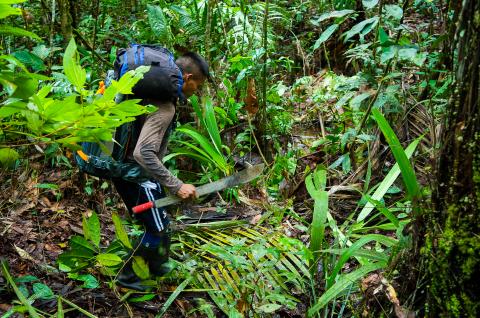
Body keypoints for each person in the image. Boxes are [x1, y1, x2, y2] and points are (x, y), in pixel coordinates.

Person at [113, 51, 209, 290]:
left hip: (138, 174)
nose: (197, 91)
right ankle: (128, 278)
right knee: (157, 229)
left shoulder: (153, 97)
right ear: (187, 78)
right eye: (198, 85)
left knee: (162, 221)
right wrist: (176, 185)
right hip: (134, 175)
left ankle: (158, 266)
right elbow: (143, 153)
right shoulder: (165, 106)